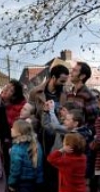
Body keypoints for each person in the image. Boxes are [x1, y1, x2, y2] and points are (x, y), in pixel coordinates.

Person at [28, 64, 69, 192]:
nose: (63, 83)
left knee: (55, 168)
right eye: (62, 81)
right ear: (52, 77)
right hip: (41, 135)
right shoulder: (36, 92)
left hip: (58, 136)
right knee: (42, 167)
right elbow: (30, 112)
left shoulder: (64, 94)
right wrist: (40, 115)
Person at [8, 119, 43, 192]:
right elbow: (39, 165)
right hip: (34, 182)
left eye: (13, 128)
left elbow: (15, 169)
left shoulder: (16, 148)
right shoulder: (36, 144)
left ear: (19, 133)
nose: (11, 129)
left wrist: (11, 183)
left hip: (21, 183)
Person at [66, 62, 99, 131]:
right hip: (68, 136)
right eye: (72, 70)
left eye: (75, 71)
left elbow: (94, 121)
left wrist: (81, 132)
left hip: (82, 137)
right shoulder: (69, 94)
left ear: (82, 76)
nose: (71, 73)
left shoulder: (88, 95)